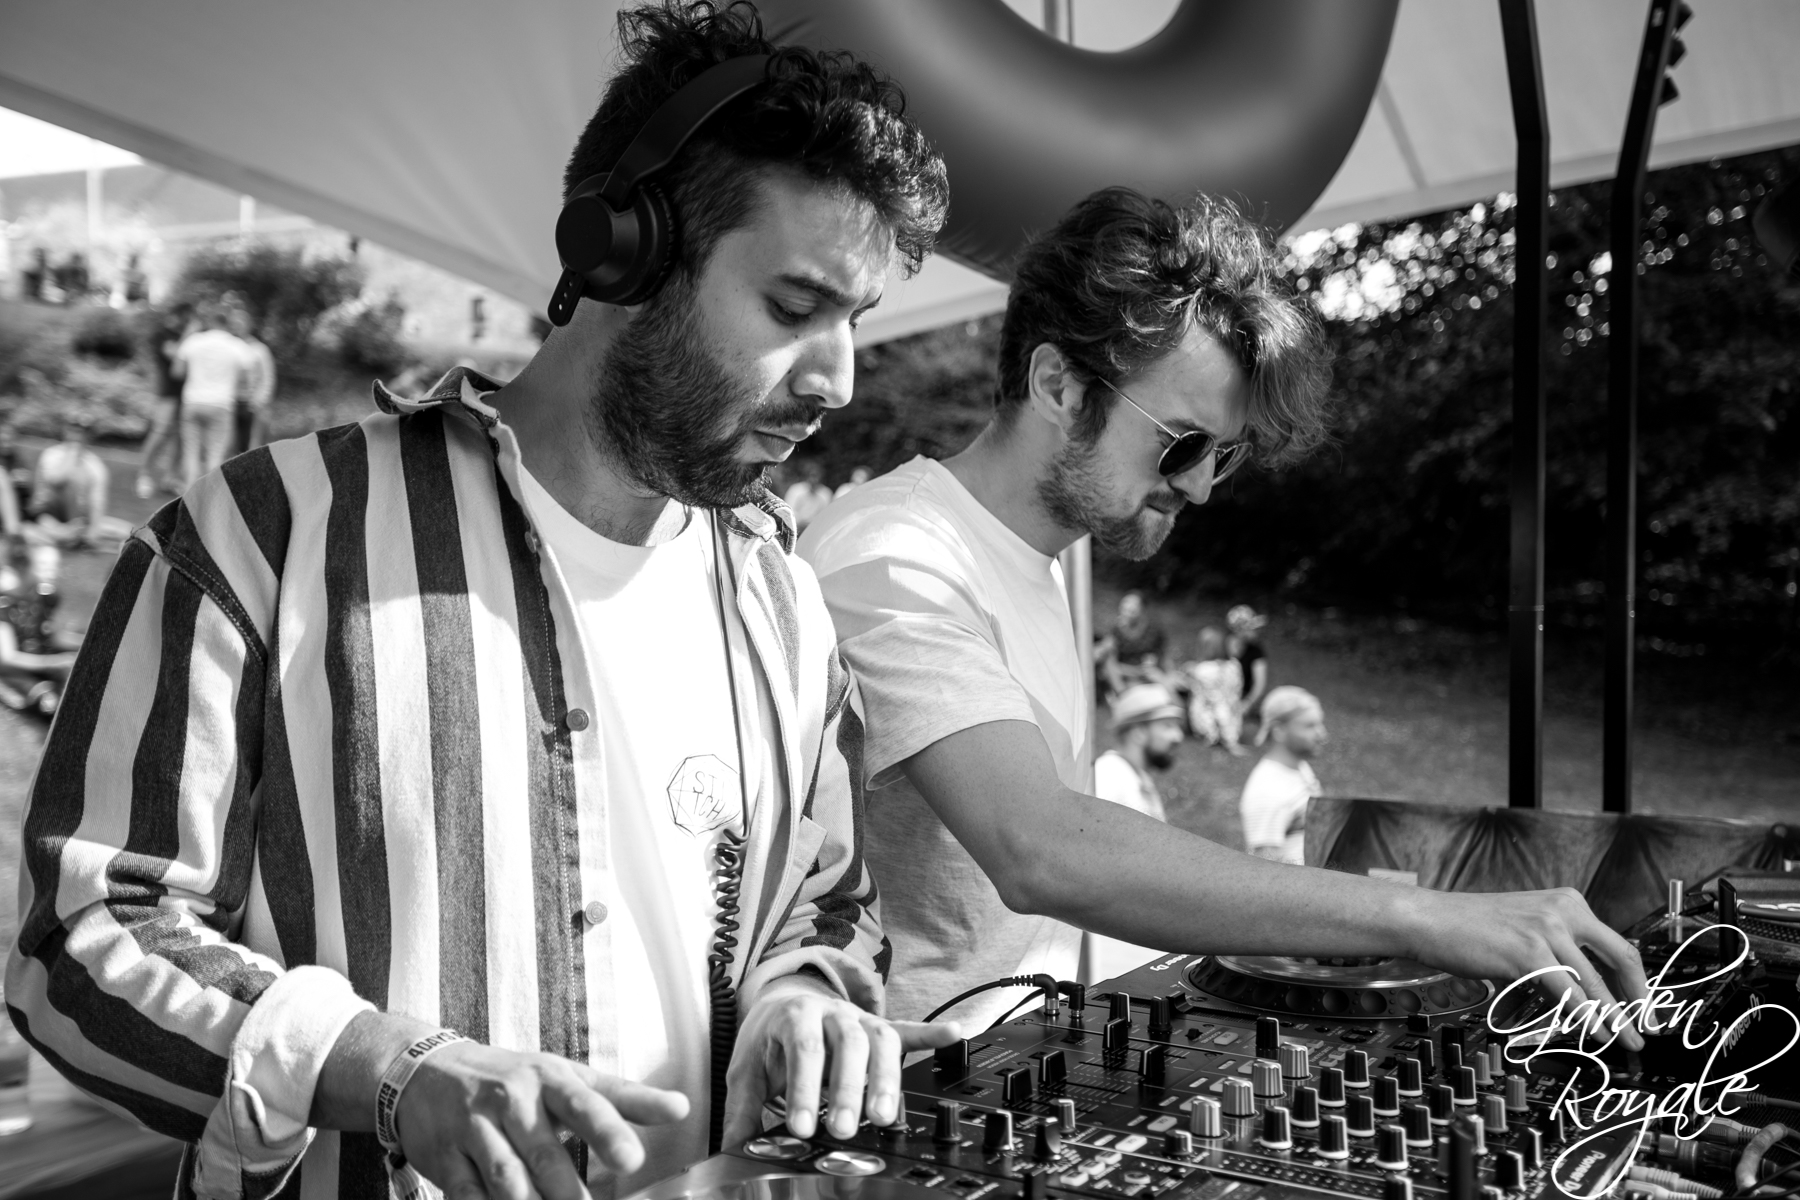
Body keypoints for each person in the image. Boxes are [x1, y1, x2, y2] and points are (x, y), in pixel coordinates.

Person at [6, 6, 954, 1199]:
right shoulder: (259, 536)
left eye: (854, 322)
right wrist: (384, 1070)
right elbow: (84, 936)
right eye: (793, 308)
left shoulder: (788, 608)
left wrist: (798, 999)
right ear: (623, 257)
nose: (839, 381)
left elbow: (825, 903)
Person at [800, 186, 1647, 1036]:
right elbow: (1041, 849)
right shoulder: (894, 556)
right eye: (1183, 443)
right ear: (1059, 384)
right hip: (900, 1091)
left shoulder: (1034, 559)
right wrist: (1424, 917)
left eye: (1225, 455)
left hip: (1011, 1067)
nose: (1202, 486)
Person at [1083, 683, 1185, 982]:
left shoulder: (1135, 778)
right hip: (1114, 950)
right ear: (1139, 732)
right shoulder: (1109, 774)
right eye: (1167, 726)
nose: (1178, 737)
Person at [1240, 686, 1325, 864]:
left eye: (1319, 724)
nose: (1322, 734)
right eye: (1309, 726)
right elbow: (1265, 869)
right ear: (1279, 730)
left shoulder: (1299, 767)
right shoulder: (1268, 791)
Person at [24, 413, 129, 550]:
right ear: (65, 431)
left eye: (82, 432)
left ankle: (77, 534)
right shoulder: (51, 454)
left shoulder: (96, 465)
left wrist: (94, 530)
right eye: (73, 431)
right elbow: (57, 481)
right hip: (47, 514)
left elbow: (97, 500)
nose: (77, 436)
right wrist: (73, 453)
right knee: (56, 531)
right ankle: (66, 535)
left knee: (129, 531)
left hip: (79, 520)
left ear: (89, 435)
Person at [174, 302, 253, 485]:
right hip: (221, 404)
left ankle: (189, 491)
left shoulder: (194, 341)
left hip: (192, 401)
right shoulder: (237, 345)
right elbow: (247, 380)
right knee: (215, 454)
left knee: (191, 452)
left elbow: (177, 372)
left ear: (209, 321)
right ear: (228, 322)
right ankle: (209, 496)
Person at [0, 541, 77, 716]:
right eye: (43, 565)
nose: (52, 572)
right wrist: (52, 663)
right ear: (25, 566)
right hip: (15, 671)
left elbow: (54, 636)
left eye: (55, 566)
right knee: (51, 705)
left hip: (42, 658)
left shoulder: (48, 596)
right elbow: (7, 658)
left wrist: (89, 641)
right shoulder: (4, 603)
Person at [137, 303, 192, 498]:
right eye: (185, 317)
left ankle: (170, 477)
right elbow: (174, 355)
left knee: (181, 437)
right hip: (168, 393)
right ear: (177, 315)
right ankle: (144, 474)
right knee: (159, 432)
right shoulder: (162, 334)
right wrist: (188, 334)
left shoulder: (185, 337)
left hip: (188, 394)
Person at [1097, 589, 1170, 699]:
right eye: (1125, 603)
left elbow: (1163, 657)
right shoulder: (1115, 631)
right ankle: (1122, 695)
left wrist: (1165, 673)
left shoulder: (1154, 631)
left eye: (1133, 604)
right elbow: (1110, 660)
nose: (1129, 607)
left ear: (1143, 609)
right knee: (1108, 661)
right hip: (1122, 673)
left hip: (1146, 673)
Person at [1183, 625, 1245, 753]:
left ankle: (1215, 736)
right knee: (1220, 707)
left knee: (1215, 706)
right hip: (1231, 711)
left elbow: (1207, 696)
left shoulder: (1202, 669)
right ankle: (1226, 737)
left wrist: (1189, 676)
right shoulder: (1233, 665)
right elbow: (1237, 688)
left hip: (1210, 715)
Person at [229, 305, 277, 451]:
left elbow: (268, 377)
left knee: (253, 445)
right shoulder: (227, 347)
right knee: (234, 445)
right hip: (230, 403)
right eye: (233, 324)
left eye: (239, 324)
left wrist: (260, 400)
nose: (236, 328)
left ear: (248, 325)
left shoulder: (259, 349)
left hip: (253, 404)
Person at [1228, 602, 1270, 730]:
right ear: (1239, 630)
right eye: (1252, 628)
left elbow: (1259, 685)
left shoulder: (1256, 651)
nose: (1256, 631)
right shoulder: (1223, 645)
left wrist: (1247, 704)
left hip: (1244, 695)